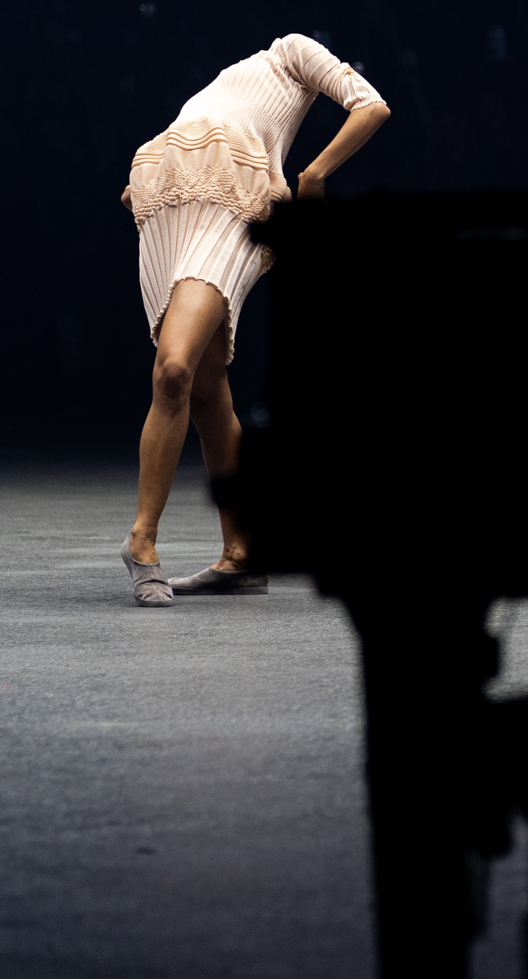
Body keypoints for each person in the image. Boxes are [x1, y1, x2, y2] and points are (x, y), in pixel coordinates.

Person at [116, 34, 389, 606]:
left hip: (236, 202)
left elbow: (372, 106)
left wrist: (312, 179)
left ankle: (141, 540)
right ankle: (241, 553)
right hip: (169, 205)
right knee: (206, 390)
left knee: (173, 370)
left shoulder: (292, 50)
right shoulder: (227, 80)